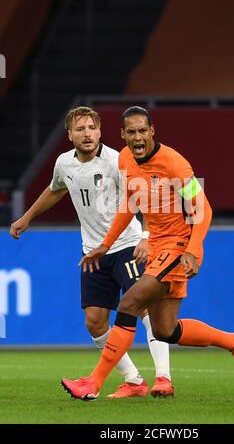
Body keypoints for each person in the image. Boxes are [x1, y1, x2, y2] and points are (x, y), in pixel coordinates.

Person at [61, 106, 234, 401]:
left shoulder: (175, 164)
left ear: (152, 131)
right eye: (131, 132)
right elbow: (129, 203)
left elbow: (203, 208)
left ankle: (93, 383)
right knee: (166, 330)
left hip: (178, 246)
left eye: (142, 131)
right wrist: (105, 244)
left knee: (130, 303)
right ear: (122, 135)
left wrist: (193, 250)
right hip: (158, 248)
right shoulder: (125, 159)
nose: (138, 137)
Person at [10, 106, 174, 398]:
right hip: (94, 252)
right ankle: (134, 381)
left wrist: (147, 236)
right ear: (69, 134)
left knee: (146, 308)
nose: (87, 134)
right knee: (95, 321)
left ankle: (163, 378)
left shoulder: (117, 161)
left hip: (127, 245)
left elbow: (144, 195)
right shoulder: (64, 163)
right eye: (80, 129)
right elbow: (56, 189)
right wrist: (27, 217)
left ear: (100, 131)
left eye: (92, 128)